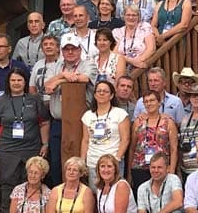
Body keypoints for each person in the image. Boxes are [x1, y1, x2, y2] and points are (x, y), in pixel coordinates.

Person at [0, 67, 50, 213]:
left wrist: (45, 144)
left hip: (31, 149)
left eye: (19, 80)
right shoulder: (1, 101)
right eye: (13, 80)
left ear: (25, 81)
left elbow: (44, 122)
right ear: (8, 82)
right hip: (8, 150)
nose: (16, 83)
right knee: (8, 185)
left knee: (32, 182)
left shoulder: (34, 100)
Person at [42, 34, 97, 185]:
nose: (70, 52)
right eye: (67, 49)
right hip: (58, 121)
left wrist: (59, 81)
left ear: (80, 50)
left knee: (77, 162)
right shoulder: (55, 66)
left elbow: (84, 78)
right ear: (61, 51)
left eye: (74, 49)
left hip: (79, 123)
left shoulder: (88, 64)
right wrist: (62, 74)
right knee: (56, 162)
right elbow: (47, 86)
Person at [80, 80, 131, 187]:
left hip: (113, 162)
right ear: (95, 95)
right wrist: (82, 161)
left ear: (111, 95)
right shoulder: (88, 115)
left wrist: (117, 159)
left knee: (113, 192)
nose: (102, 93)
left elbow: (125, 139)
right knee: (95, 193)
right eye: (99, 91)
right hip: (93, 162)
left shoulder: (120, 114)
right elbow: (85, 140)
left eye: (105, 91)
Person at [128, 90, 178, 191]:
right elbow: (132, 148)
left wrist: (171, 170)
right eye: (146, 101)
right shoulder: (138, 122)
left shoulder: (168, 122)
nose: (149, 103)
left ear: (159, 102)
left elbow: (174, 149)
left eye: (152, 100)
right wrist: (129, 173)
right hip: (140, 167)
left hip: (161, 168)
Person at [113, 4, 156, 73]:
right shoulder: (118, 32)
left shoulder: (144, 27)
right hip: (121, 68)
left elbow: (151, 49)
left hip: (140, 68)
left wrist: (139, 61)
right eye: (128, 15)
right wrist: (132, 61)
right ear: (124, 16)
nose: (131, 17)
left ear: (138, 17)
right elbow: (115, 53)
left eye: (134, 15)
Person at [28, 35, 60, 105]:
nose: (48, 46)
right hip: (40, 104)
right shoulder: (38, 64)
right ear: (42, 49)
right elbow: (32, 87)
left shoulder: (63, 63)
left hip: (58, 103)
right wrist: (36, 103)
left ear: (58, 48)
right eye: (45, 44)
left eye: (51, 44)